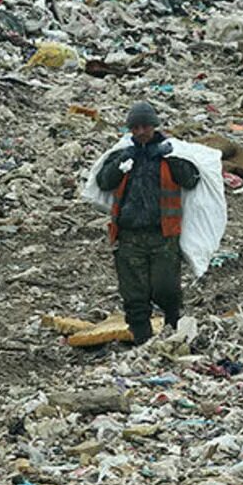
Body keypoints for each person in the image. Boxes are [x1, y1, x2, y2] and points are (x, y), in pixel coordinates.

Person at [93, 101, 201, 345]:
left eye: (145, 126)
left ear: (154, 126)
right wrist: (121, 163)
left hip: (162, 234)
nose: (141, 132)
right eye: (136, 127)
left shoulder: (171, 153)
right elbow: (104, 182)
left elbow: (191, 180)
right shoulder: (123, 155)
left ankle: (174, 330)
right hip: (129, 236)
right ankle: (143, 343)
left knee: (166, 289)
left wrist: (171, 158)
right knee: (134, 296)